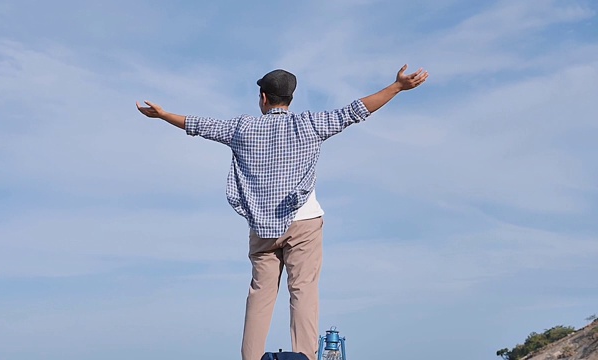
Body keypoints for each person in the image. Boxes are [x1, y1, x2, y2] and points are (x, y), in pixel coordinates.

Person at [136, 64, 429, 360]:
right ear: (290, 98)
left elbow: (198, 125)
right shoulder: (310, 124)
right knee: (303, 292)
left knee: (260, 295)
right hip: (304, 222)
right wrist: (397, 87)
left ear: (263, 98)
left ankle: (251, 357)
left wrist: (162, 115)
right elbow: (355, 111)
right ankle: (304, 356)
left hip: (261, 228)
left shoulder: (242, 128)